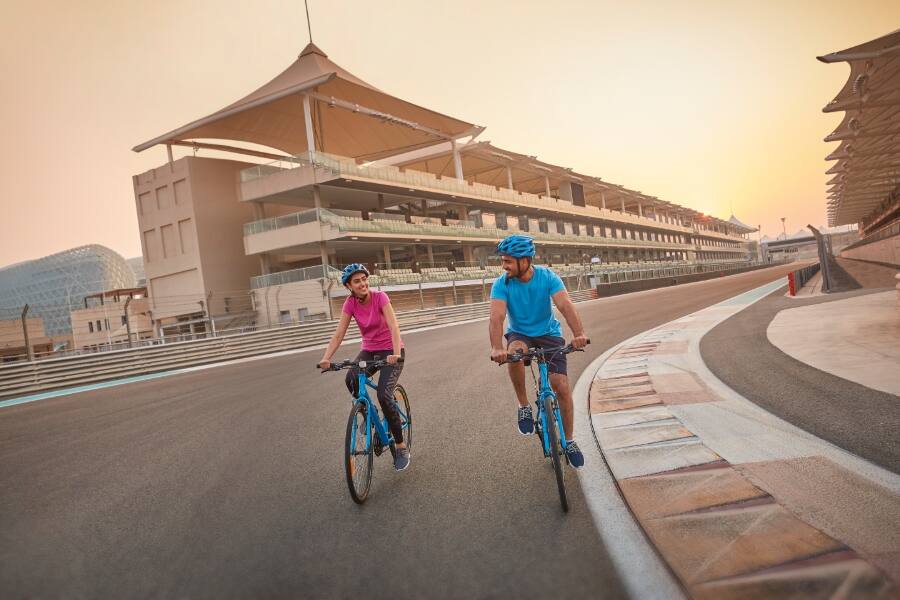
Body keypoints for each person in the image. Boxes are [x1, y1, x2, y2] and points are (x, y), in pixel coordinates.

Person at [488, 236, 589, 468]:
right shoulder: (501, 284)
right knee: (514, 353)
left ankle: (569, 441)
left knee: (560, 385)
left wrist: (579, 334)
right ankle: (524, 406)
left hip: (548, 333)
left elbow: (565, 305)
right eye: (503, 261)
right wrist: (496, 348)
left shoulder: (548, 277)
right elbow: (496, 317)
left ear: (525, 260)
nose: (504, 266)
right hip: (520, 334)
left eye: (508, 261)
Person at [318, 263, 409, 471]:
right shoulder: (350, 304)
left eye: (364, 279)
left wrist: (395, 354)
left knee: (384, 395)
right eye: (357, 281)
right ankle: (370, 413)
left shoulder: (380, 297)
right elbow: (339, 334)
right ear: (349, 286)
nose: (363, 284)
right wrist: (326, 358)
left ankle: (401, 446)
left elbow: (394, 326)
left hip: (391, 351)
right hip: (369, 351)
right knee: (351, 379)